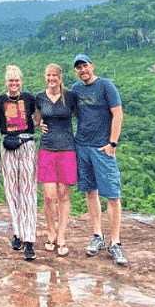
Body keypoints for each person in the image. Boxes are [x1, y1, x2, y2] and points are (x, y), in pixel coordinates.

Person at [70, 53, 127, 266]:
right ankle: (97, 236)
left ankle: (116, 243)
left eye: (85, 66)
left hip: (103, 148)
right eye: (78, 67)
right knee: (90, 192)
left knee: (112, 194)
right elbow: (70, 112)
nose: (82, 70)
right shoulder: (75, 89)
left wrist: (112, 144)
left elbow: (118, 114)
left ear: (92, 66)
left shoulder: (106, 86)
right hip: (82, 145)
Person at [0, 64, 39, 261]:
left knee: (28, 189)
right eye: (11, 81)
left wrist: (42, 125)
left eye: (17, 80)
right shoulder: (0, 101)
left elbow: (38, 117)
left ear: (21, 82)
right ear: (6, 82)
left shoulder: (29, 98)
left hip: (27, 143)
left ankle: (29, 239)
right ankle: (17, 232)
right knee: (11, 190)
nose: (14, 84)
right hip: (8, 146)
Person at [35, 63, 78, 258]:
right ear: (45, 77)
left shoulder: (70, 97)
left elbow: (82, 117)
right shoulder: (40, 97)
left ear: (60, 78)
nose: (51, 79)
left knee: (63, 195)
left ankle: (61, 236)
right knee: (49, 195)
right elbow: (36, 119)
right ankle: (50, 232)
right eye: (48, 75)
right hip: (46, 149)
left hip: (67, 149)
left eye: (55, 76)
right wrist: (39, 125)